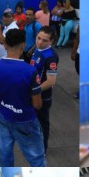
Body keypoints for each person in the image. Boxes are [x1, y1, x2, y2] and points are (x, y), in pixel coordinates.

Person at [0, 28, 45, 167]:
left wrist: (3, 93)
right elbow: (37, 104)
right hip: (25, 119)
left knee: (5, 155)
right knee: (36, 159)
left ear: (5, 44)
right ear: (23, 45)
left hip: (4, 116)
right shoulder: (30, 71)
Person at [31, 26, 59, 154]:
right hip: (33, 94)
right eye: (39, 38)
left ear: (51, 41)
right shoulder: (37, 49)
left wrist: (34, 91)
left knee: (42, 124)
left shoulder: (51, 56)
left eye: (44, 40)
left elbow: (51, 81)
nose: (40, 42)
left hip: (42, 97)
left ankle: (42, 149)